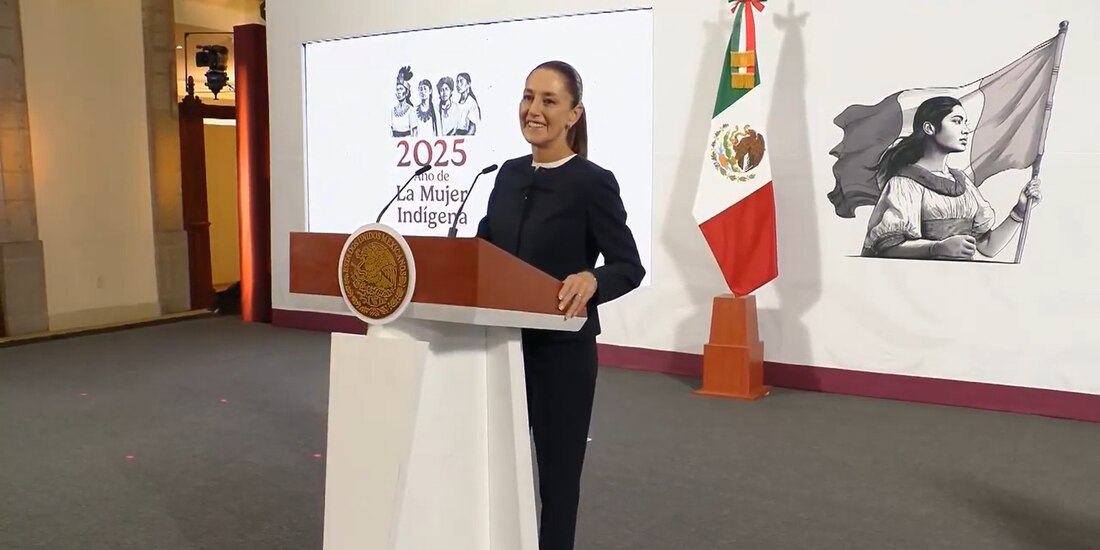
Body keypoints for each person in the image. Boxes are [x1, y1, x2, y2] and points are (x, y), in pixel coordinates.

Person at [475, 60, 644, 549]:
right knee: (497, 467)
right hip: (498, 346)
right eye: (528, 97)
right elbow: (486, 249)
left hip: (561, 356)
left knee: (557, 477)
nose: (534, 109)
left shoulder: (592, 182)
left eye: (549, 100)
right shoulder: (505, 175)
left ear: (574, 114)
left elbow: (628, 265)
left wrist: (593, 279)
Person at [862, 96, 1042, 259]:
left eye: (965, 122)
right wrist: (937, 248)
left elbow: (988, 247)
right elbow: (887, 249)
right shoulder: (904, 183)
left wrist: (1019, 211)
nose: (965, 130)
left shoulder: (962, 182)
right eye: (957, 121)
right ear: (929, 128)